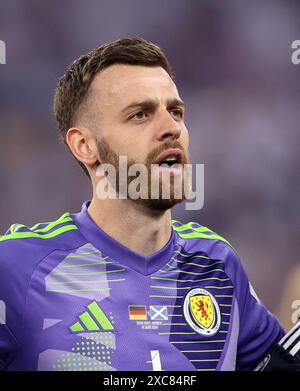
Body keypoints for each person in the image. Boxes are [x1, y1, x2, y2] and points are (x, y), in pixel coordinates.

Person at [0, 37, 296, 372]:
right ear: (84, 145)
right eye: (140, 115)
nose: (172, 129)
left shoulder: (215, 265)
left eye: (176, 112)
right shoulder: (17, 267)